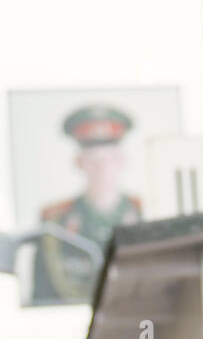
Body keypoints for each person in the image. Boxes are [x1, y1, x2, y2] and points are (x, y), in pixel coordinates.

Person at [33, 104, 143, 304]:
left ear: (122, 161)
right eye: (94, 162)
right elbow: (42, 293)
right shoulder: (55, 221)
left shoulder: (145, 213)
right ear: (79, 163)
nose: (102, 170)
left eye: (109, 160)